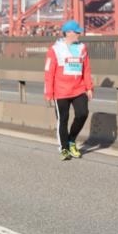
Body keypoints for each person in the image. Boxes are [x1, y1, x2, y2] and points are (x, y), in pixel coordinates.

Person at [44, 20, 94, 159]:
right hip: (60, 91)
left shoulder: (82, 48)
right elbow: (49, 72)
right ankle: (64, 148)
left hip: (78, 89)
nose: (79, 33)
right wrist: (49, 92)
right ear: (69, 33)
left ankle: (71, 140)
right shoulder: (54, 49)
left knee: (82, 114)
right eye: (77, 31)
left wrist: (89, 87)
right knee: (63, 120)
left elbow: (87, 69)